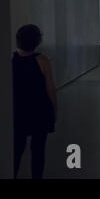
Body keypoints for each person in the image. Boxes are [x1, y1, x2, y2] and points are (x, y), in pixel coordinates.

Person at [13, 25, 57, 179]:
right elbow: (50, 89)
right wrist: (54, 109)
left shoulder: (12, 60)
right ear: (37, 41)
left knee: (16, 149)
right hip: (40, 111)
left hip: (18, 111)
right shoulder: (42, 61)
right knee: (38, 150)